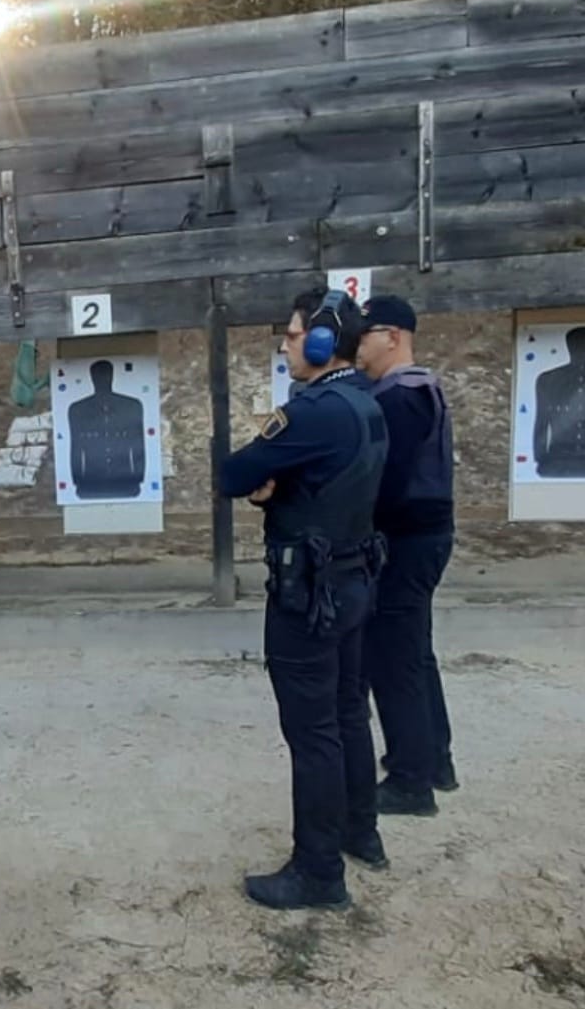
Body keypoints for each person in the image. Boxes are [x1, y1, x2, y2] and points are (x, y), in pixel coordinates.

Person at [218, 288, 389, 911]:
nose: (287, 344)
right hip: (351, 580)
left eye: (292, 335)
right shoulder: (365, 403)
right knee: (346, 713)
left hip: (308, 593)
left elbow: (232, 473)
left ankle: (319, 874)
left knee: (313, 731)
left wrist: (263, 487)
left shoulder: (314, 410)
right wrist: (281, 494)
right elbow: (329, 485)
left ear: (320, 342)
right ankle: (359, 833)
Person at [356, 296, 457, 815]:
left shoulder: (400, 396)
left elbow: (386, 482)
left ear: (392, 335)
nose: (358, 345)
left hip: (407, 540)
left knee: (394, 659)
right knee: (414, 652)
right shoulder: (415, 388)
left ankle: (410, 780)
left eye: (366, 334)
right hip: (422, 536)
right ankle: (434, 759)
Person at [68, 359, 146, 499]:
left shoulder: (131, 406)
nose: (102, 380)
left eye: (105, 375)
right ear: (91, 377)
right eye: (99, 375)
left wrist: (138, 476)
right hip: (91, 483)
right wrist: (77, 479)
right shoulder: (78, 409)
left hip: (125, 482)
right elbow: (76, 448)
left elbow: (138, 445)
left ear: (112, 375)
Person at [533, 326, 585, 478]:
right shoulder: (547, 379)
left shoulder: (547, 378)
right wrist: (540, 456)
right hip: (559, 457)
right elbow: (541, 420)